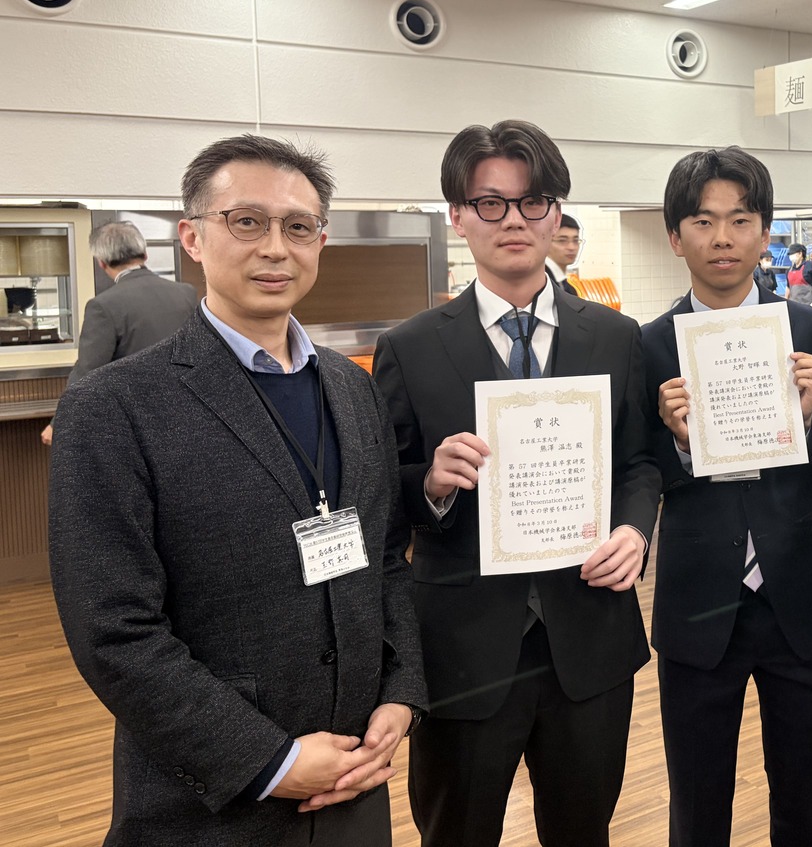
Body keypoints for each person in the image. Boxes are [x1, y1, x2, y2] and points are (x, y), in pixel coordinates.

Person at [48, 135, 426, 847]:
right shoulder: (113, 406)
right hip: (210, 803)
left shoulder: (352, 388)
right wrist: (271, 762)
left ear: (320, 241)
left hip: (353, 779)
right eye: (246, 221)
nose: (275, 248)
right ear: (192, 237)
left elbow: (384, 560)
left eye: (298, 226)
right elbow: (113, 630)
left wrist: (401, 692)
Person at [372, 120, 661, 847]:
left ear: (556, 214)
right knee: (457, 831)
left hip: (589, 636)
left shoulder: (616, 337)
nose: (514, 221)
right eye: (490, 203)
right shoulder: (409, 347)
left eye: (533, 202)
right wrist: (432, 483)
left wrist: (634, 529)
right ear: (458, 216)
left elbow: (638, 462)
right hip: (463, 647)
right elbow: (382, 493)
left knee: (583, 830)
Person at [643, 147, 812, 847]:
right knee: (697, 807)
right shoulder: (648, 345)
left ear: (765, 233)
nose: (723, 238)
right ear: (676, 237)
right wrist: (678, 445)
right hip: (699, 605)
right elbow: (638, 468)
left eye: (740, 220)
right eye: (703, 221)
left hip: (806, 598)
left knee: (803, 802)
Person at [40, 220, 197, 445]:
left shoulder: (103, 306)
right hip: (187, 416)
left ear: (101, 262)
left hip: (136, 426)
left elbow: (87, 372)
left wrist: (59, 423)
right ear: (145, 254)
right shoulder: (186, 294)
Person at [547, 210, 582, 296]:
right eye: (562, 240)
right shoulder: (541, 282)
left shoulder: (569, 288)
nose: (571, 247)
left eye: (575, 240)